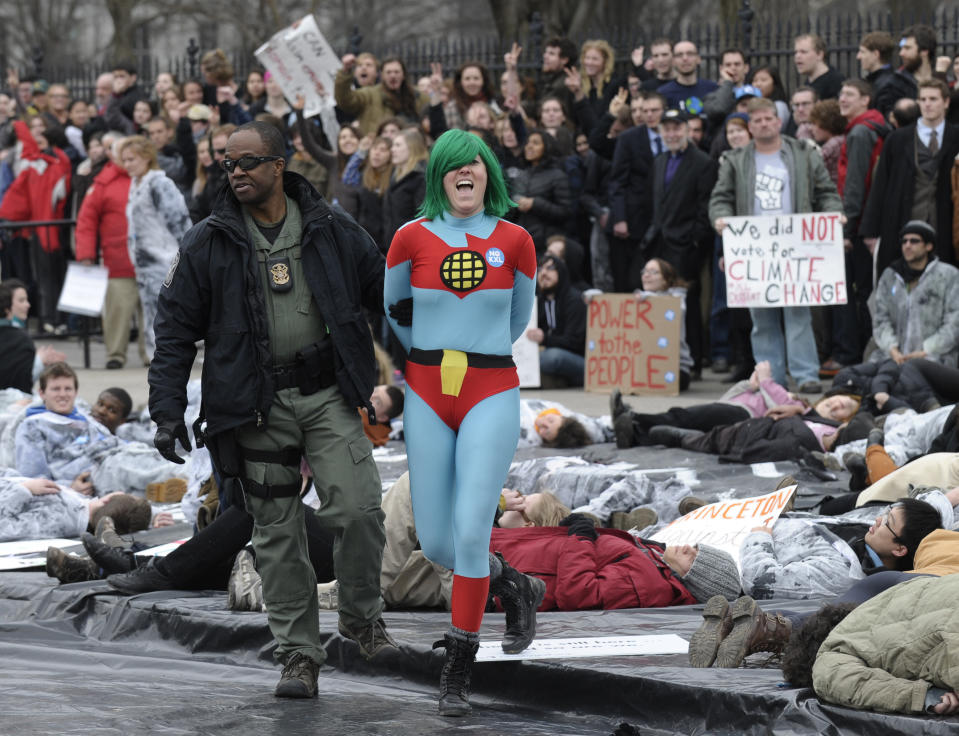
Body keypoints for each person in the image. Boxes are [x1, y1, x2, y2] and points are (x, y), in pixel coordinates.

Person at [147, 120, 396, 700]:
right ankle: (298, 657)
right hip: (253, 408)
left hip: (327, 395)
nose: (236, 172)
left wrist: (436, 359)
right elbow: (175, 331)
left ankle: (362, 619)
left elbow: (386, 292)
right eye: (227, 164)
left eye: (248, 162)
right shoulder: (207, 241)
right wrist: (165, 411)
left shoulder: (330, 227)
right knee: (277, 535)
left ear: (280, 165)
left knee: (359, 510)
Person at [384, 129, 537, 716]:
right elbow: (396, 311)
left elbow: (518, 316)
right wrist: (432, 353)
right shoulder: (409, 237)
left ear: (487, 173)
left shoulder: (515, 239)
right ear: (440, 176)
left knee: (471, 532)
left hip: (490, 389)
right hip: (426, 389)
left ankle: (459, 668)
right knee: (437, 541)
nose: (465, 172)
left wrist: (476, 351)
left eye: (475, 163)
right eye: (454, 166)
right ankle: (511, 583)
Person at [709, 97, 843, 392]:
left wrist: (835, 218)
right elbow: (720, 199)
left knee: (798, 314)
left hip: (795, 246)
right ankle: (773, 381)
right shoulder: (736, 159)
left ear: (779, 122)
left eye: (768, 118)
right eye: (756, 120)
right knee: (762, 319)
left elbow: (825, 192)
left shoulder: (803, 153)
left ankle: (806, 376)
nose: (763, 124)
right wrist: (721, 220)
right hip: (756, 249)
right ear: (750, 126)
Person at [641, 108, 717, 370]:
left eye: (676, 128)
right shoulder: (660, 160)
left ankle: (692, 360)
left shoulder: (702, 162)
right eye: (667, 129)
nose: (671, 134)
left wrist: (693, 240)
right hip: (661, 242)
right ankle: (663, 358)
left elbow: (704, 207)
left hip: (685, 245)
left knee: (688, 304)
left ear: (686, 129)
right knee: (659, 302)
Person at [861, 78, 959, 278]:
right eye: (922, 99)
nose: (927, 104)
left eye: (933, 99)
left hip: (945, 223)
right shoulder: (898, 139)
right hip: (903, 220)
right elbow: (880, 184)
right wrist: (871, 230)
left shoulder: (956, 137)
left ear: (946, 102)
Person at [75, 136, 147, 369]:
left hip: (148, 260)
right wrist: (85, 254)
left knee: (152, 313)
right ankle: (115, 354)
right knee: (117, 312)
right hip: (118, 260)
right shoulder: (103, 183)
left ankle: (152, 354)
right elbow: (86, 221)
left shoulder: (150, 179)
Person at [119, 136, 192, 362]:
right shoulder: (136, 184)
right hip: (144, 263)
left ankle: (172, 359)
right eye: (124, 160)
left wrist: (186, 258)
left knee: (167, 314)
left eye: (132, 159)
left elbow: (179, 222)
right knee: (152, 314)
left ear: (147, 157)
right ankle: (158, 359)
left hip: (165, 260)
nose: (127, 164)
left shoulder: (160, 184)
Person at [871, 221, 959, 367]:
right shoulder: (890, 276)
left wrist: (926, 350)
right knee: (850, 377)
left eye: (914, 241)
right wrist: (893, 349)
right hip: (893, 357)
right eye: (904, 241)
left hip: (936, 359)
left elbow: (954, 322)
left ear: (928, 246)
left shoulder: (948, 276)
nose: (907, 245)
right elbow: (880, 319)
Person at [608, 92, 665, 291]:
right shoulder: (628, 138)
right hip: (633, 221)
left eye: (654, 110)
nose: (649, 115)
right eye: (644, 111)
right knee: (630, 281)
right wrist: (619, 218)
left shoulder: (674, 136)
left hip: (663, 220)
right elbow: (617, 181)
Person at [526, 254, 586, 387]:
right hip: (551, 358)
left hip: (578, 360)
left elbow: (574, 342)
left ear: (561, 272)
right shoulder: (539, 302)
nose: (543, 273)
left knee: (551, 357)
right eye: (540, 269)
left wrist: (545, 339)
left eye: (550, 268)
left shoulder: (574, 300)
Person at [509, 129, 572, 252]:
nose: (529, 146)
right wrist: (514, 203)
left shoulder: (557, 175)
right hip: (522, 242)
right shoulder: (522, 175)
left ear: (547, 147)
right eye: (528, 143)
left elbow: (566, 212)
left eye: (536, 143)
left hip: (547, 243)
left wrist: (535, 203)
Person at [335, 54, 428, 136]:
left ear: (403, 75)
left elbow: (432, 116)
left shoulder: (417, 96)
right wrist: (345, 72)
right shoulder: (369, 94)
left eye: (396, 72)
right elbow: (345, 100)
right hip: (378, 150)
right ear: (382, 75)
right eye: (388, 72)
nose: (393, 76)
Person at [0, 280, 64, 392]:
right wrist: (39, 361)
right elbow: (20, 383)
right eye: (21, 300)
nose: (28, 305)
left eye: (27, 300)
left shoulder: (20, 337)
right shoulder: (19, 340)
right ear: (8, 306)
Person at [656, 41, 718, 116]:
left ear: (698, 59)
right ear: (673, 61)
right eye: (679, 55)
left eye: (690, 54)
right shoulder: (663, 93)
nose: (685, 58)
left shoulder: (713, 89)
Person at [794, 34, 844, 100]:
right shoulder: (807, 83)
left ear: (819, 55)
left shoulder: (836, 82)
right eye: (796, 52)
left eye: (803, 52)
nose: (797, 56)